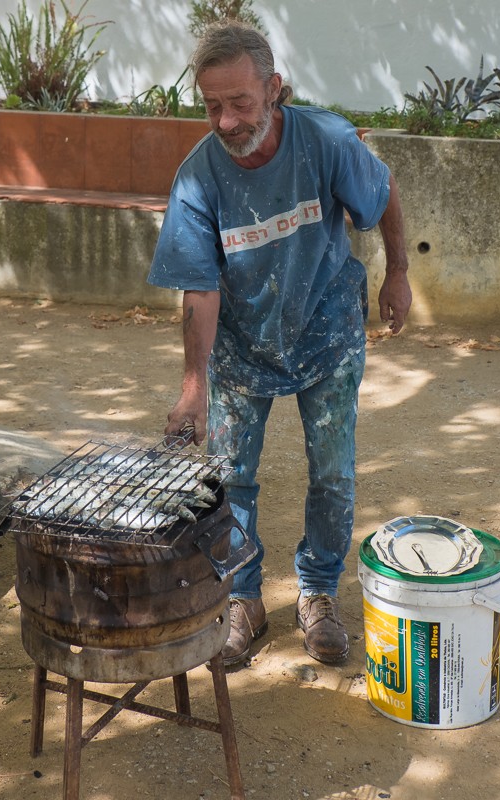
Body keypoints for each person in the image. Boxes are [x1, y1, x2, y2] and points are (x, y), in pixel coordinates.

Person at [148, 20, 412, 667]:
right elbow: (200, 289)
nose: (227, 120)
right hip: (243, 347)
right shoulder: (197, 178)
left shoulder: (323, 141)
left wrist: (399, 271)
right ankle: (242, 597)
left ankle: (317, 593)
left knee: (332, 474)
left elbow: (381, 197)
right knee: (230, 479)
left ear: (273, 89)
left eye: (239, 102)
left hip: (327, 333)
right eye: (212, 106)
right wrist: (193, 386)